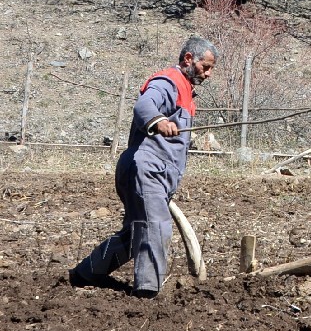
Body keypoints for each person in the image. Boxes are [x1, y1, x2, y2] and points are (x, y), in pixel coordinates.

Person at [70, 37, 218, 297]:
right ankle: (148, 293)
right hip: (145, 170)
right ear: (188, 59)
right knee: (155, 228)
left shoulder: (184, 89)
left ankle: (87, 271)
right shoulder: (168, 82)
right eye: (205, 67)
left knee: (137, 233)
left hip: (152, 173)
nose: (208, 74)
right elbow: (143, 106)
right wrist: (158, 120)